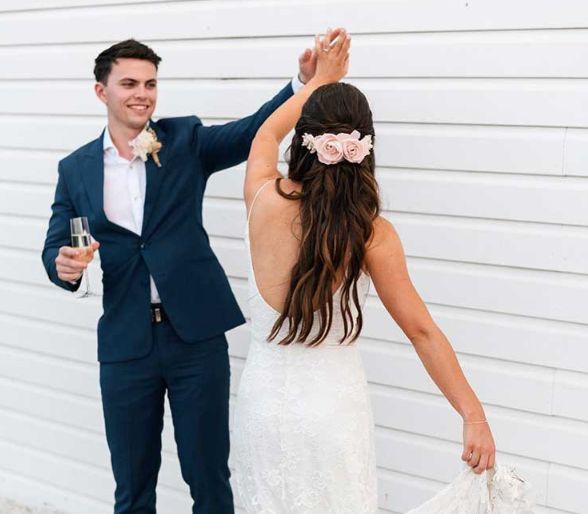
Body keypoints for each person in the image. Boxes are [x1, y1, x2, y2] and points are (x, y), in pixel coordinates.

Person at [41, 38, 318, 514]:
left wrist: (303, 84)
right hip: (126, 345)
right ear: (100, 91)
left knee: (208, 477)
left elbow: (252, 132)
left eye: (150, 84)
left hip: (195, 339)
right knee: (132, 487)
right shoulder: (75, 169)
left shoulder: (185, 140)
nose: (141, 94)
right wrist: (62, 265)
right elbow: (54, 244)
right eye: (128, 83)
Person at [232, 28, 497, 513]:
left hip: (263, 405)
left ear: (304, 142)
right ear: (365, 146)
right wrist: (472, 414)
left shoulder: (261, 197)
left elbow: (265, 132)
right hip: (333, 408)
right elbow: (421, 332)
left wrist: (319, 80)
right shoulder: (371, 233)